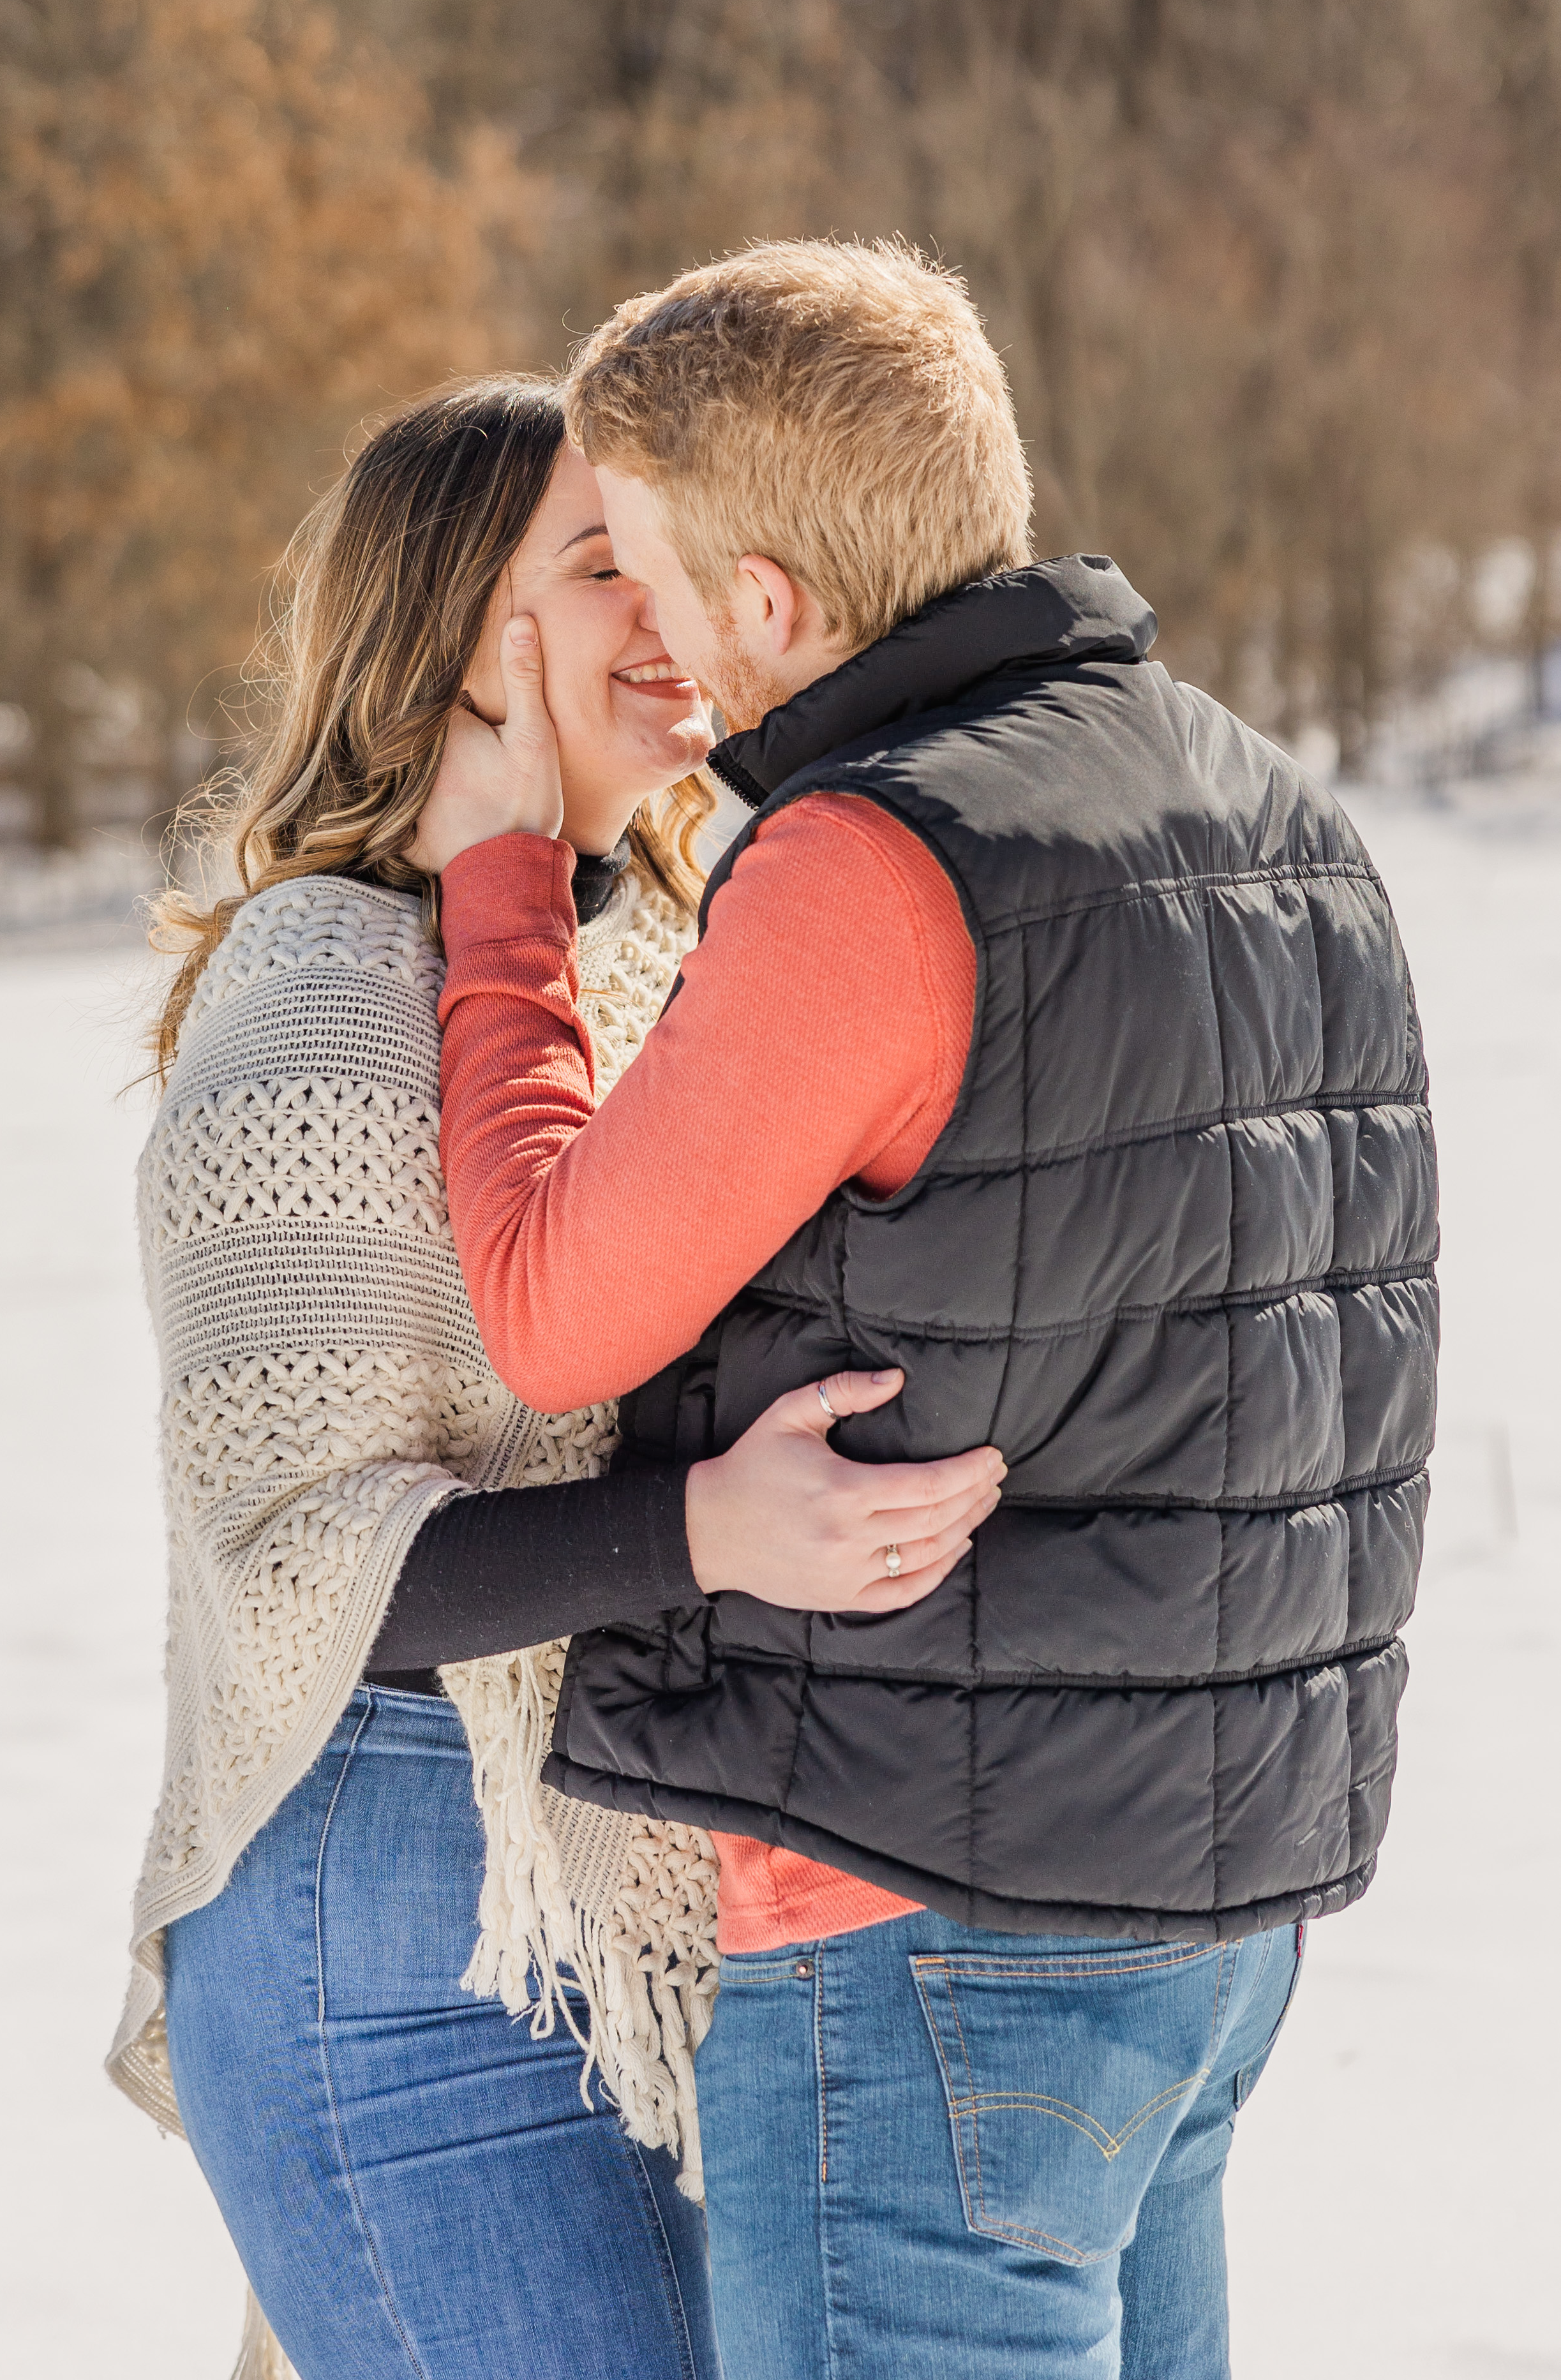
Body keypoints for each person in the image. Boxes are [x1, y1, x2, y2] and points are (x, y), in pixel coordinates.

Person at [405, 245, 1440, 2380]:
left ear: (771, 604)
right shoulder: (1271, 810)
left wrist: (505, 885)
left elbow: (548, 1313)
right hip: (1214, 1904)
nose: (660, 650)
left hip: (931, 1927)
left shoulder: (876, 868)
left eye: (661, 582)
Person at [106, 374, 1006, 2380]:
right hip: (396, 1934)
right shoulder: (328, 994)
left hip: (612, 1905)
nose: (667, 609)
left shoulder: (650, 950)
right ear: (446, 638)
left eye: (667, 559)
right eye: (603, 566)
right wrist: (715, 1530)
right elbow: (308, 1573)